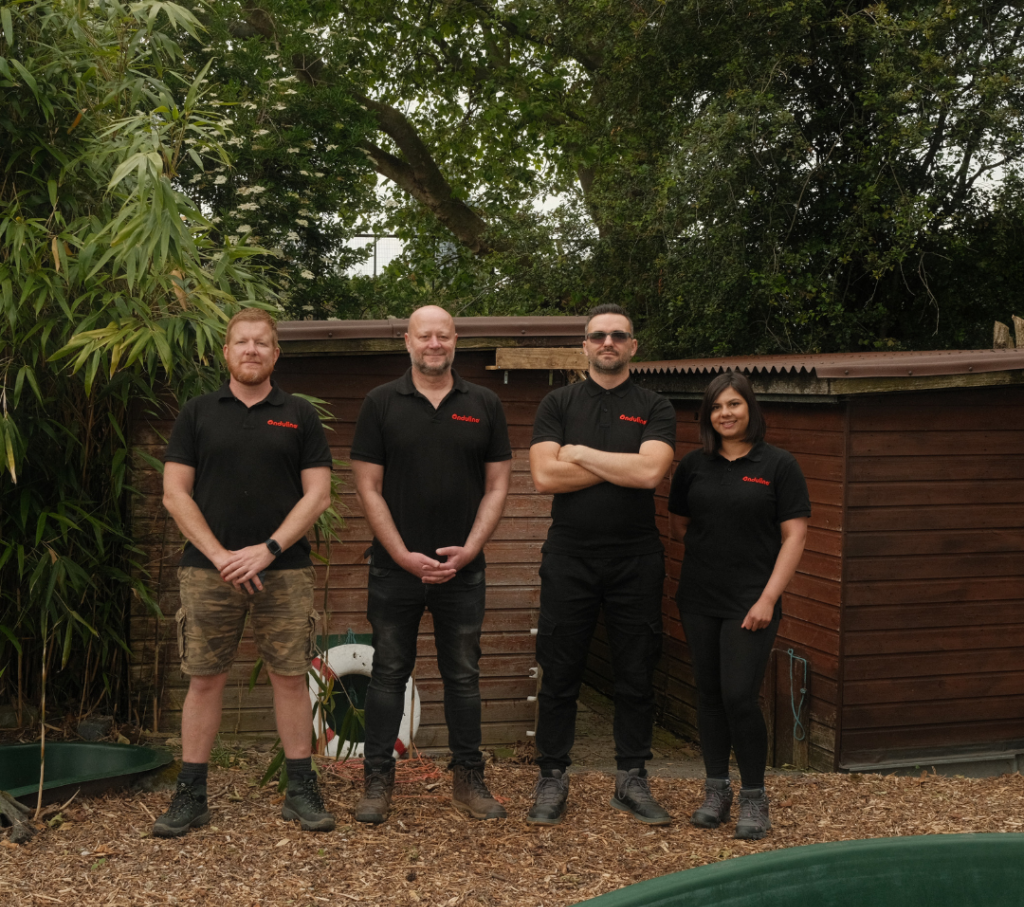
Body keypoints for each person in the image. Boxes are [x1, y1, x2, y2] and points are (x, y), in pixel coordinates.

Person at [155, 308, 335, 838]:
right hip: (208, 572)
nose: (251, 349)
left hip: (285, 571)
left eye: (262, 342)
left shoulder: (299, 414)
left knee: (289, 678)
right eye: (241, 342)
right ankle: (192, 794)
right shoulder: (197, 413)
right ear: (226, 353)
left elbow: (318, 495)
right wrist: (220, 556)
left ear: (276, 354)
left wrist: (268, 549)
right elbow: (174, 494)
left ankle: (300, 790)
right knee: (205, 681)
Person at [350, 305, 512, 823]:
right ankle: (377, 780)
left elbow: (498, 486)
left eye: (443, 335)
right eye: (425, 336)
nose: (434, 344)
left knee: (463, 675)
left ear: (456, 340)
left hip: (463, 571)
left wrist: (469, 549)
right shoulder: (379, 403)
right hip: (394, 569)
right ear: (408, 341)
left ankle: (469, 779)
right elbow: (367, 488)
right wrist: (400, 554)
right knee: (387, 674)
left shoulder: (484, 403)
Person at [527, 304, 677, 826]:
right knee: (561, 666)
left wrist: (579, 454)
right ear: (585, 346)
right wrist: (620, 464)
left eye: (619, 335)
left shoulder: (655, 404)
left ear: (633, 346)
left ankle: (632, 778)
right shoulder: (558, 402)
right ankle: (552, 777)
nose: (608, 342)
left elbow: (651, 473)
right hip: (570, 556)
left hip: (636, 556)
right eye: (598, 336)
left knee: (636, 668)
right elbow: (545, 478)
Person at [668, 371, 810, 840]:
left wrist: (768, 596)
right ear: (707, 415)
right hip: (699, 597)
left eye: (734, 404)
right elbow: (680, 526)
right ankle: (716, 789)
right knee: (708, 694)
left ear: (750, 408)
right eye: (716, 407)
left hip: (752, 601)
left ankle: (753, 796)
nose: (725, 413)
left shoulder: (779, 465)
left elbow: (794, 536)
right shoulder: (692, 465)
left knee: (738, 697)